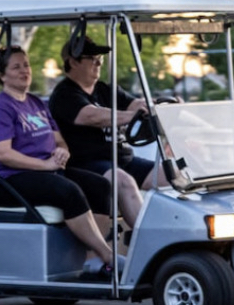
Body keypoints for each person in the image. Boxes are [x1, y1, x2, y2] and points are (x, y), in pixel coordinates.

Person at [0, 45, 121, 278]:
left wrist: (63, 153)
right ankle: (107, 255)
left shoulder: (36, 103)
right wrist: (46, 166)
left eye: (26, 65)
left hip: (47, 171)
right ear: (2, 75)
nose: (24, 71)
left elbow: (59, 140)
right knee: (70, 191)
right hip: (10, 178)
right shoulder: (0, 107)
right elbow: (3, 154)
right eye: (16, 67)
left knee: (101, 186)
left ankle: (90, 261)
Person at [48, 36, 154, 229]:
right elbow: (92, 116)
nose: (98, 62)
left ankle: (192, 234)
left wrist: (159, 107)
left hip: (123, 159)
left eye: (100, 58)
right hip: (86, 164)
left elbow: (136, 104)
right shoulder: (64, 95)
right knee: (124, 181)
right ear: (72, 62)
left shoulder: (105, 89)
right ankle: (151, 244)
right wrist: (132, 116)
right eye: (92, 58)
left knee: (172, 175)